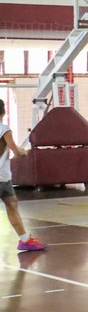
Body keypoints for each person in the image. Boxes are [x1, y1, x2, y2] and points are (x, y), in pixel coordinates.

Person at [0, 102, 45, 251]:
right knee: (12, 206)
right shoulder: (4, 130)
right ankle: (25, 240)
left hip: (4, 178)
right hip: (3, 177)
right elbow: (16, 151)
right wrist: (24, 152)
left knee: (12, 203)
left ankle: (25, 240)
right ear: (3, 112)